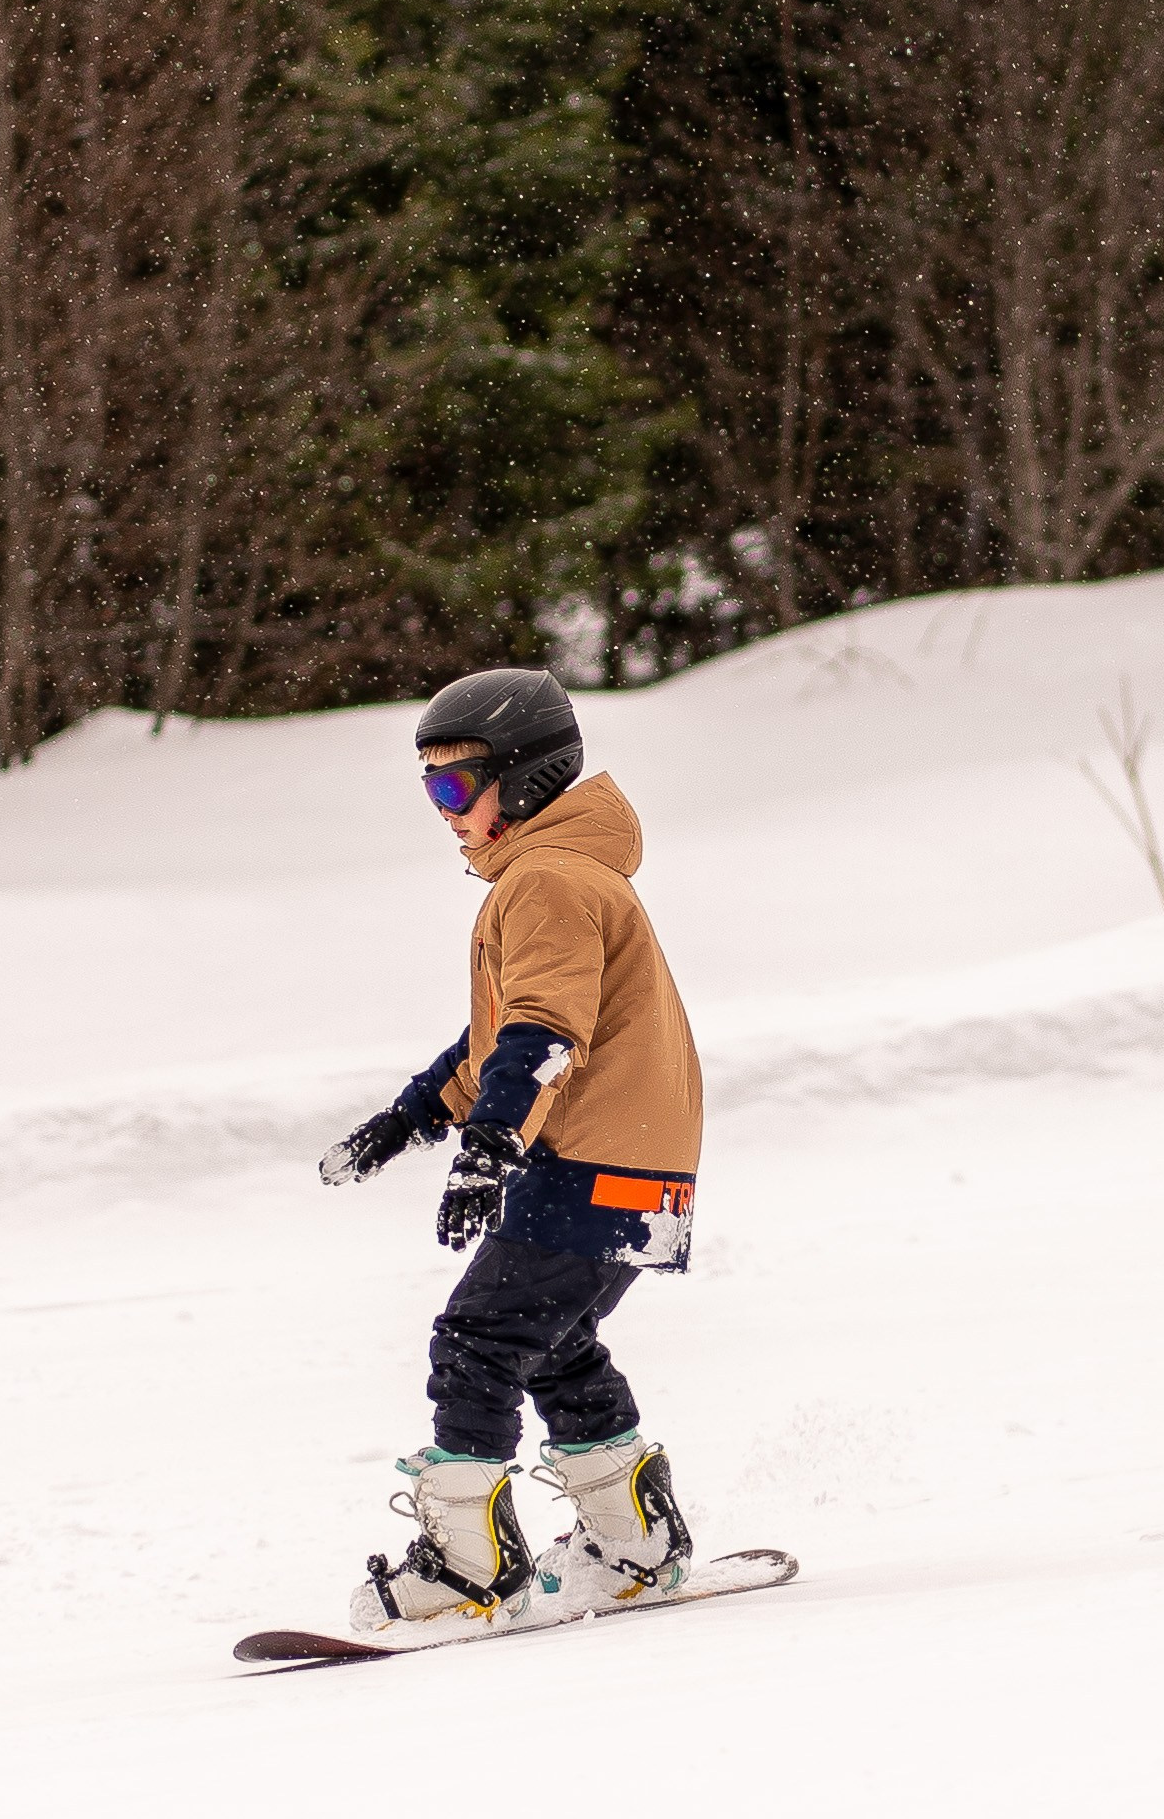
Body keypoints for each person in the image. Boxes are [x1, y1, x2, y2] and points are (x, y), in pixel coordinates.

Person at [320, 666, 703, 1635]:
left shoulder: (543, 880)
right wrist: (411, 1117)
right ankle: (634, 1540)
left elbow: (538, 1032)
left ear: (526, 778)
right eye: (429, 789)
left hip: (586, 1161)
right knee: (552, 1341)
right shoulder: (565, 874)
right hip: (639, 1171)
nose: (444, 811)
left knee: (477, 1340)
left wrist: (489, 1144)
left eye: (456, 785)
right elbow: (496, 1037)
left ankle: (466, 1565)